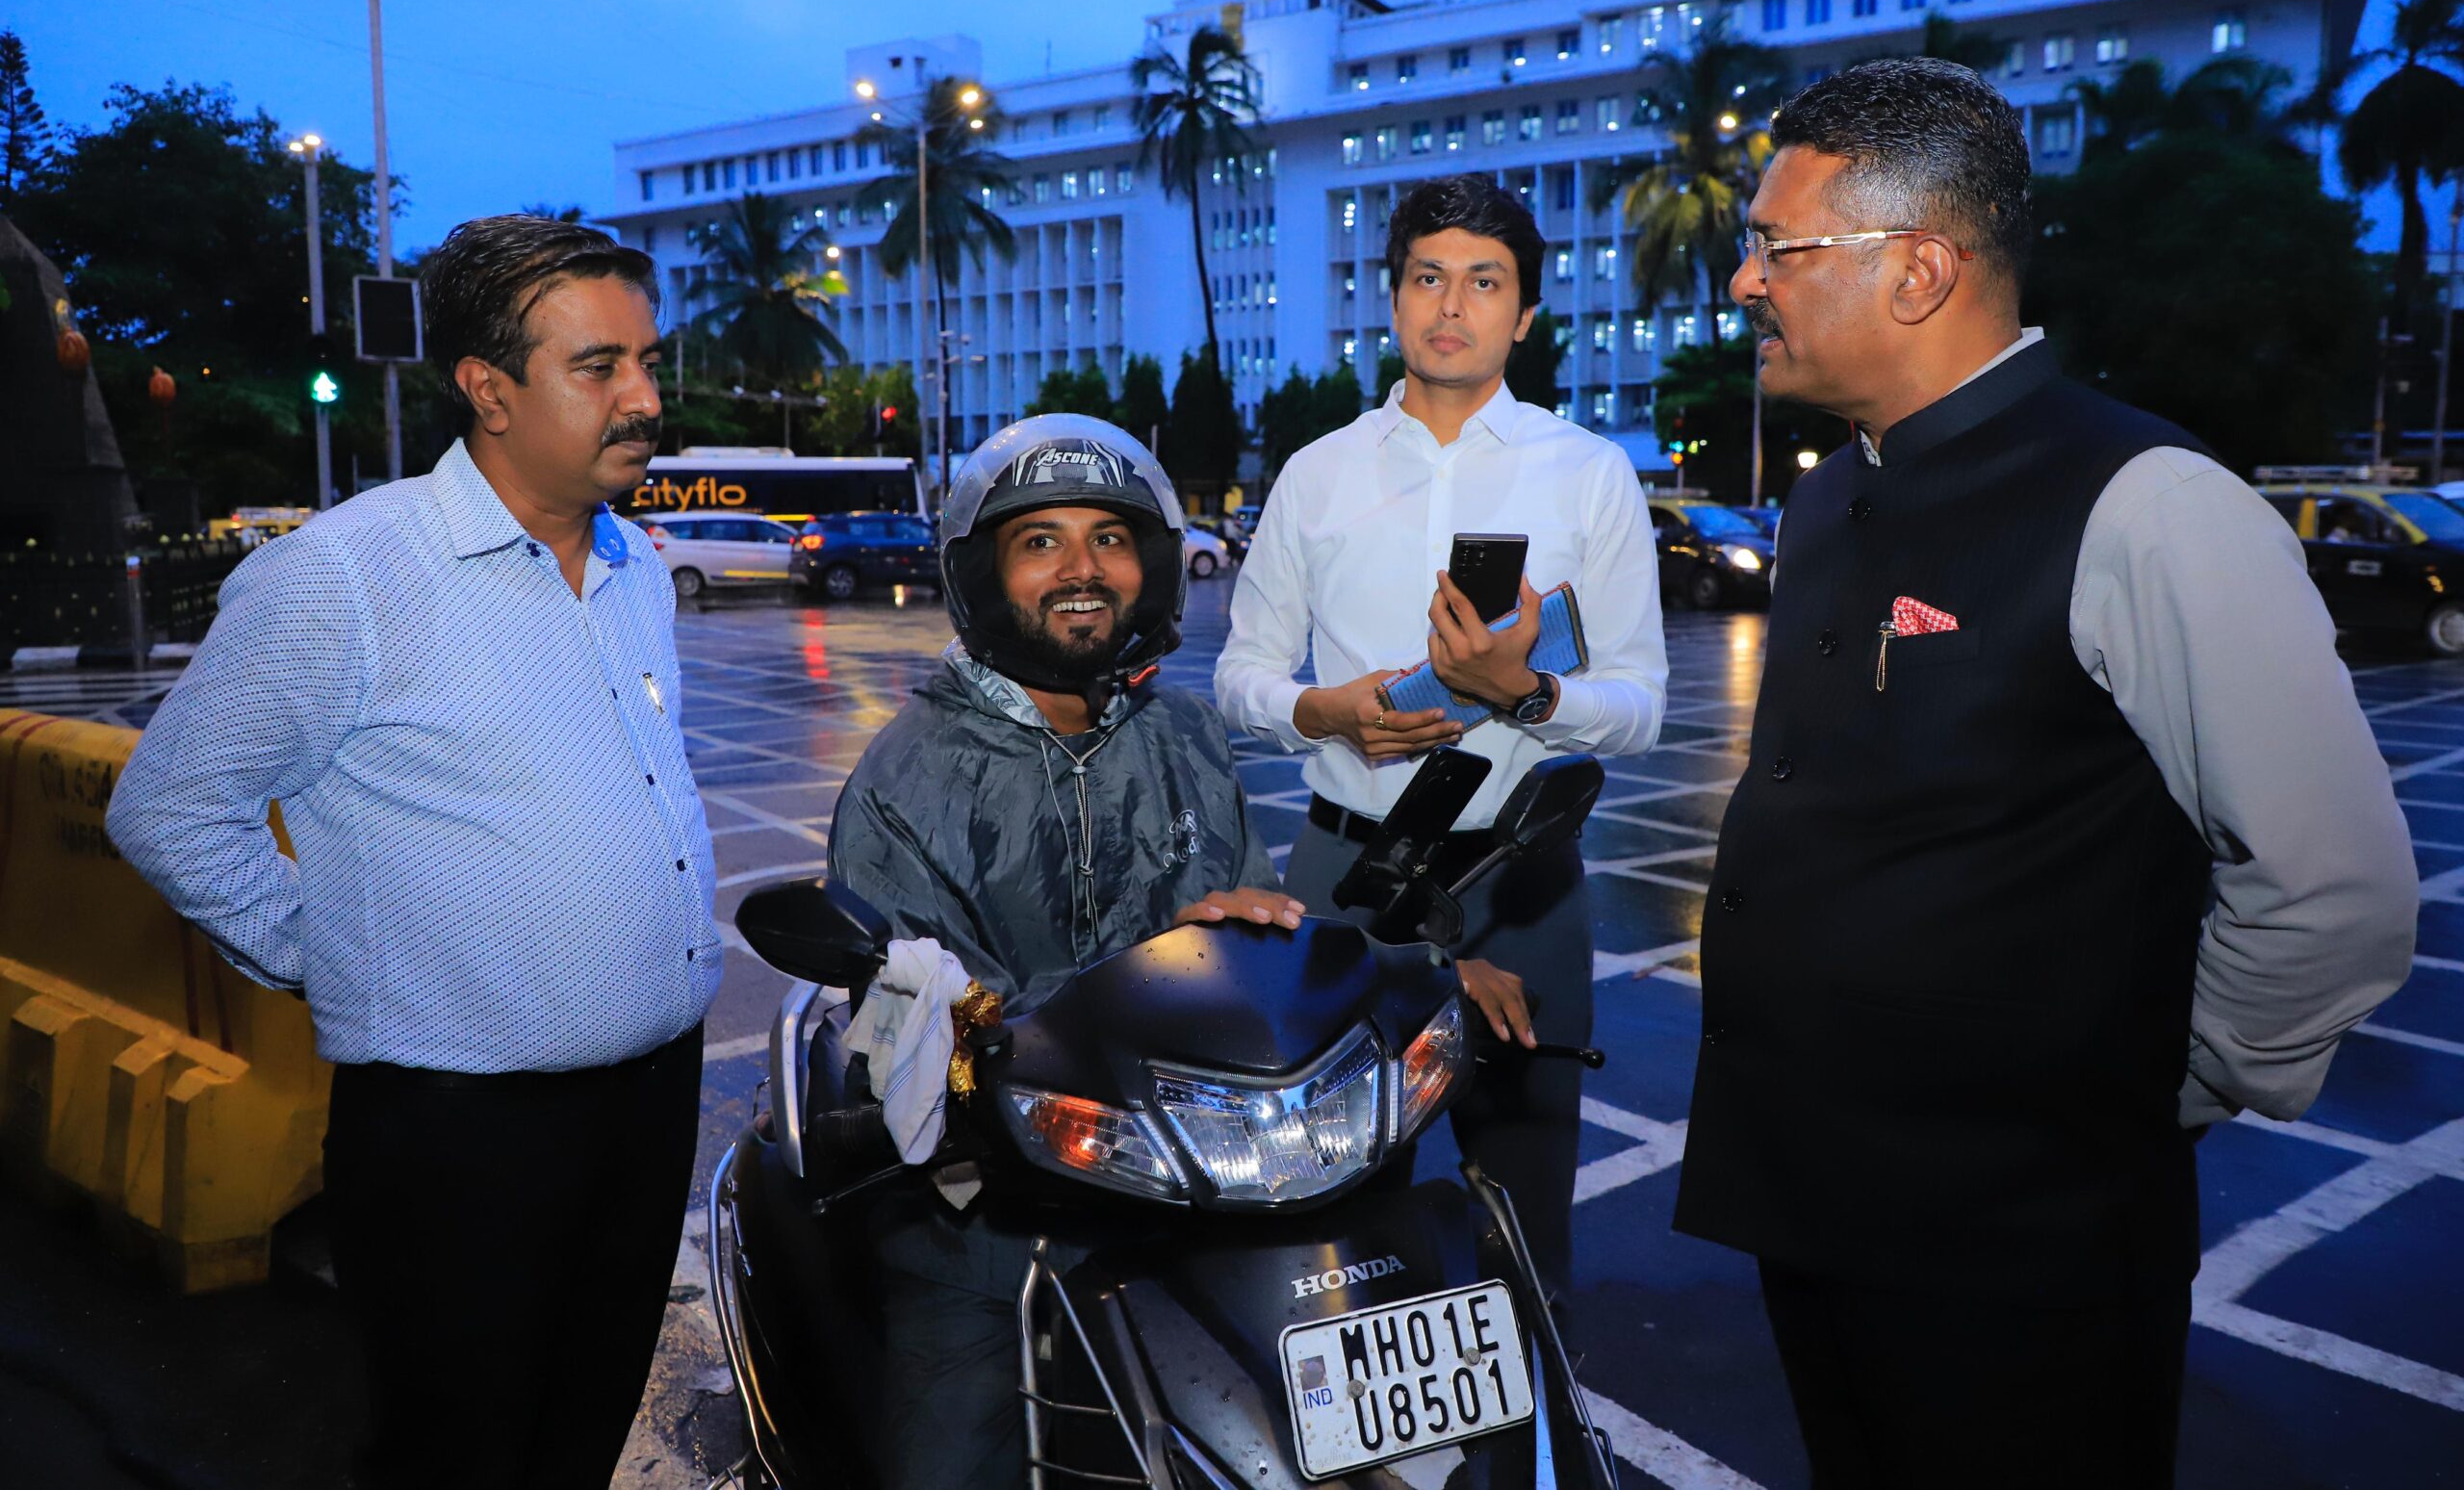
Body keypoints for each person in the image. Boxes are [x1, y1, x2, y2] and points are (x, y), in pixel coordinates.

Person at [1672, 58, 2416, 1488]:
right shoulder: (1826, 498)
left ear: (1918, 270)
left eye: (1777, 246)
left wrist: (2165, 1083)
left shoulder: (2152, 504)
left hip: (2022, 1258)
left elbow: (2334, 887)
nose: (1746, 282)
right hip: (1811, 1206)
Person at [108, 216, 715, 1490]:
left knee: (582, 1429)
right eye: (599, 366)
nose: (645, 398)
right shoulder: (347, 576)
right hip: (459, 1136)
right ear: (488, 389)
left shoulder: (636, 565)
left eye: (648, 361)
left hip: (652, 1103)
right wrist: (337, 959)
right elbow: (171, 806)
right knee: (456, 1453)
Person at [1215, 172, 1668, 1300]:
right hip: (1345, 876)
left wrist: (1527, 694)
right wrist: (1321, 710)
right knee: (1323, 1219)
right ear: (1392, 298)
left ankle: (1536, 1413)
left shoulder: (1590, 473)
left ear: (1525, 315)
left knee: (1523, 1222)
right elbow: (1238, 677)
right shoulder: (1316, 474)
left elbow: (1642, 704)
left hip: (1521, 883)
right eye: (1427, 277)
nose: (1450, 304)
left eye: (1484, 282)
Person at [828, 414, 1298, 1490]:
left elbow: (1256, 933)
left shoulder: (1186, 738)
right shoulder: (904, 777)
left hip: (1199, 1195)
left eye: (1109, 539)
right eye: (1040, 541)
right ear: (985, 574)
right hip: (985, 1225)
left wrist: (1256, 939)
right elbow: (908, 1035)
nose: (1082, 570)